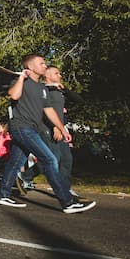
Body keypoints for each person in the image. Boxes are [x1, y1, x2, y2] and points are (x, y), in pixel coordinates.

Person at [0, 55, 95, 213]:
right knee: (49, 159)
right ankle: (67, 202)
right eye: (41, 63)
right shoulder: (22, 81)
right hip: (21, 127)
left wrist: (62, 129)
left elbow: (49, 111)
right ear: (30, 67)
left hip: (31, 128)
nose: (44, 65)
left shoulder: (42, 88)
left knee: (15, 162)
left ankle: (3, 194)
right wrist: (21, 77)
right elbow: (13, 95)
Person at [44, 65, 83, 198]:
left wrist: (65, 88)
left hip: (60, 127)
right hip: (50, 129)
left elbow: (79, 100)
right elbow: (47, 110)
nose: (60, 76)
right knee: (53, 159)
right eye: (56, 73)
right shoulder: (45, 90)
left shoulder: (59, 91)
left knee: (66, 159)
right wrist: (56, 128)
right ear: (47, 75)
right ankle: (26, 175)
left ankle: (65, 188)